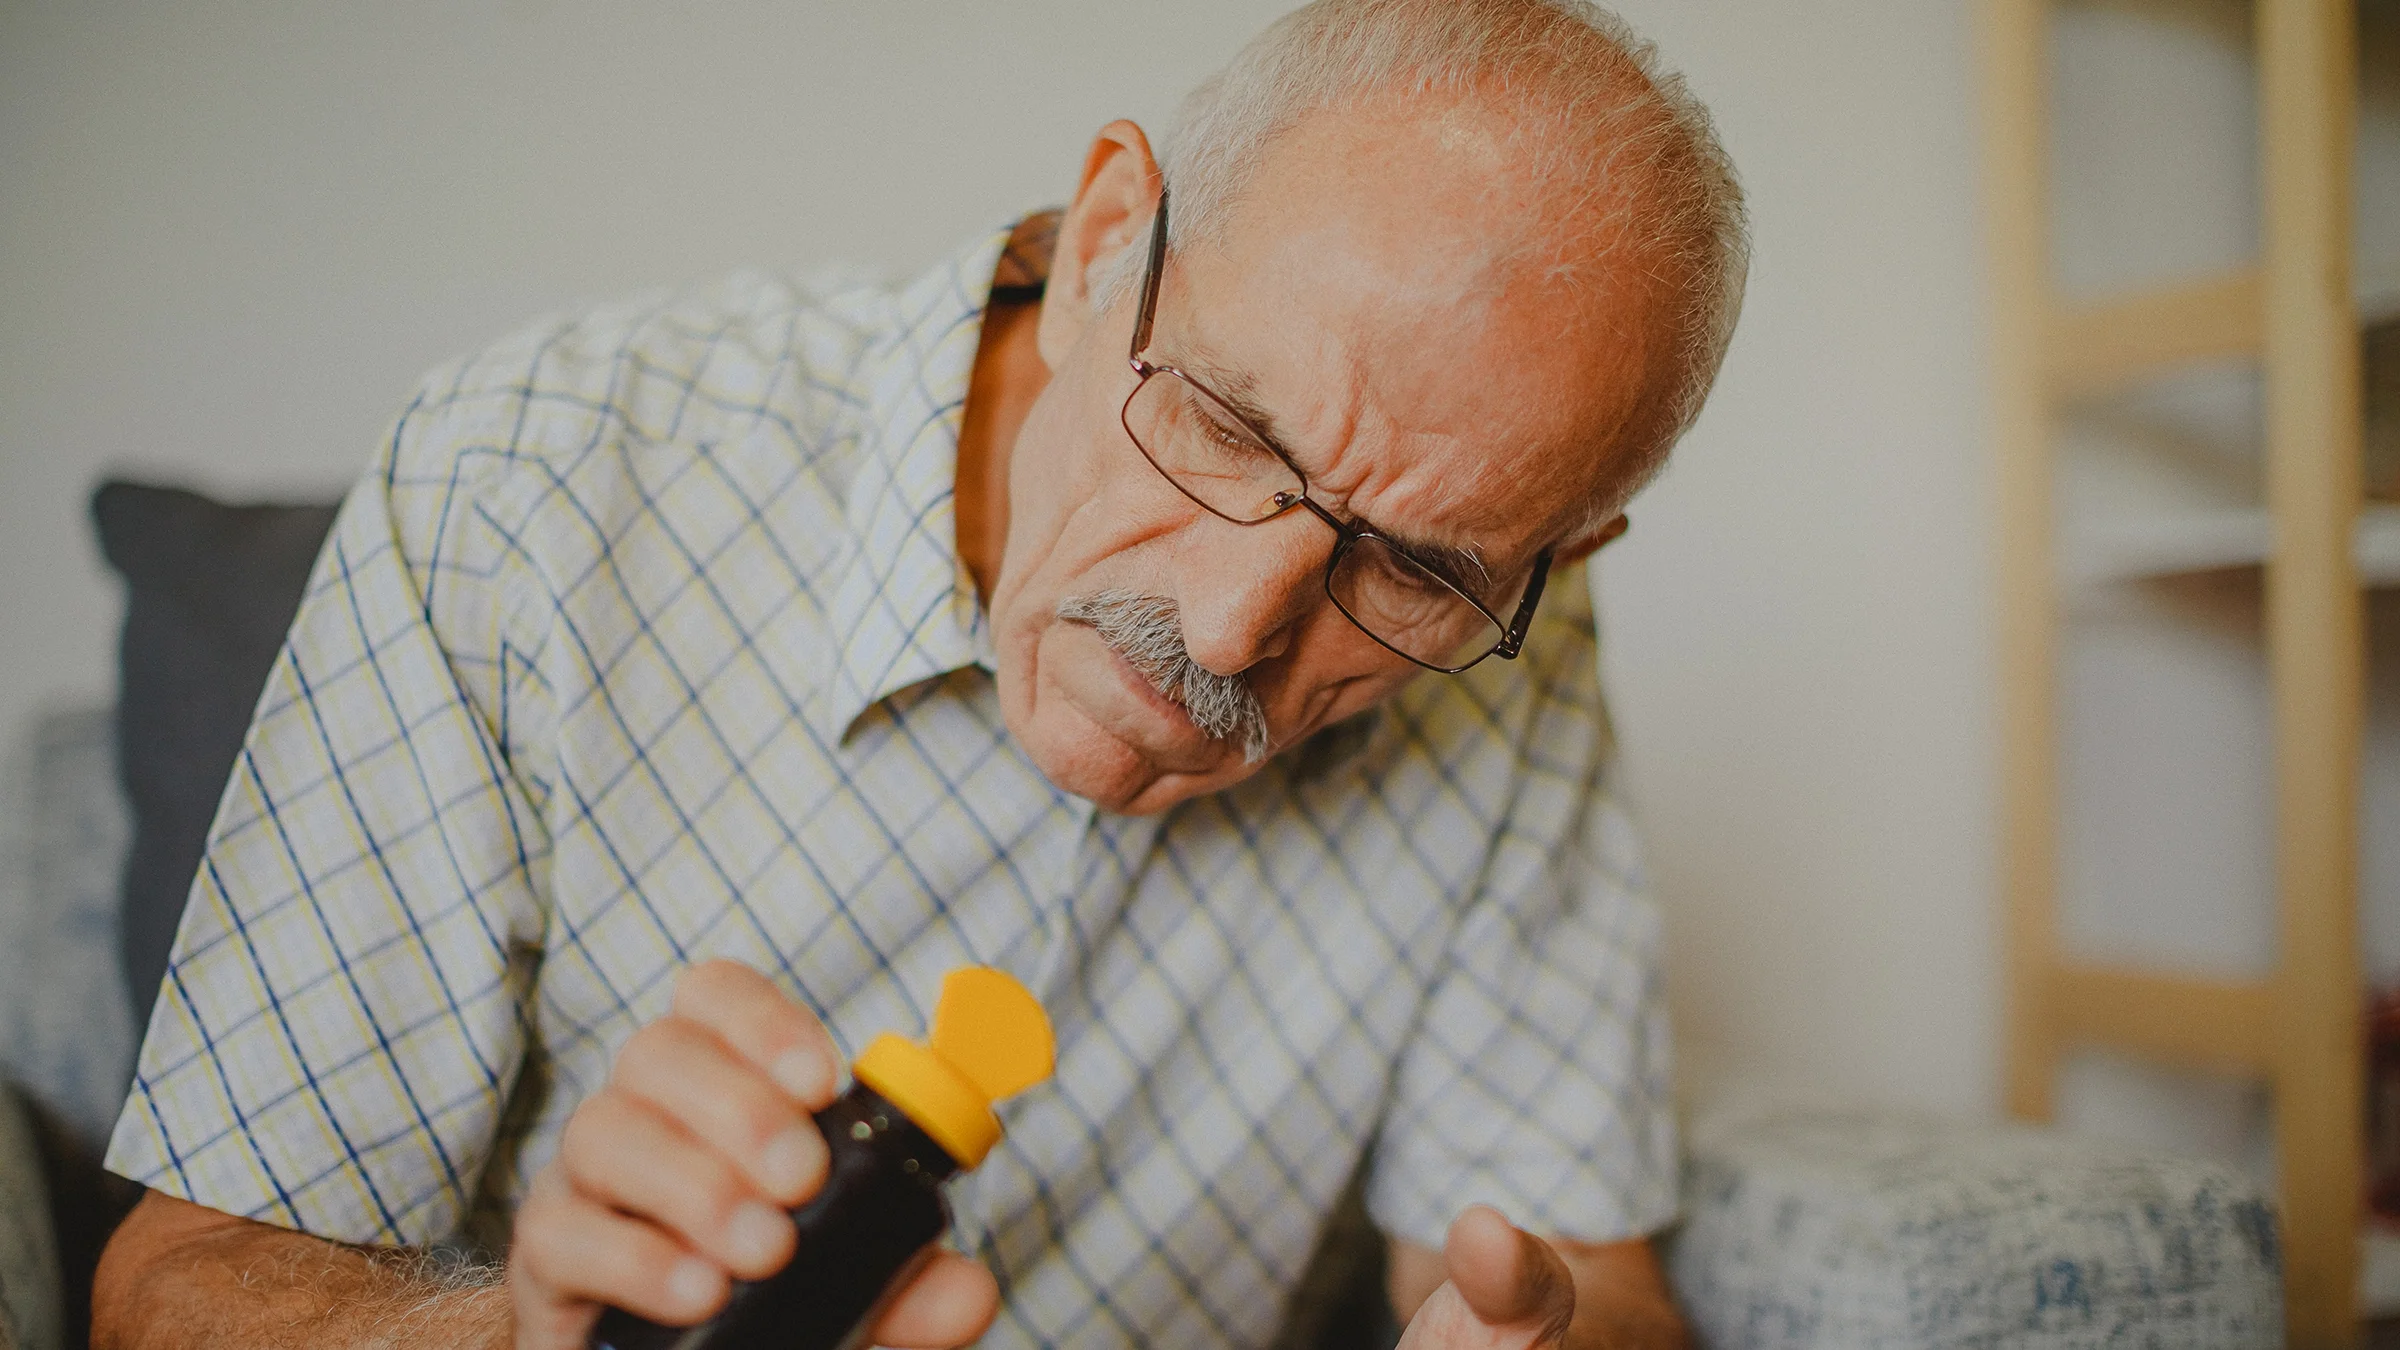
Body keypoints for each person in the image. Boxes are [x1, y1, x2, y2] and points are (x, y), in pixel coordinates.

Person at [89, 1, 1747, 1347]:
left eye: (1412, 567)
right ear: (1107, 236)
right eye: (1230, 425)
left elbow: (1582, 1277)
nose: (1240, 624)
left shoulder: (1514, 660)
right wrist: (521, 1335)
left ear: (1548, 562)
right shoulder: (535, 478)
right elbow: (179, 1286)